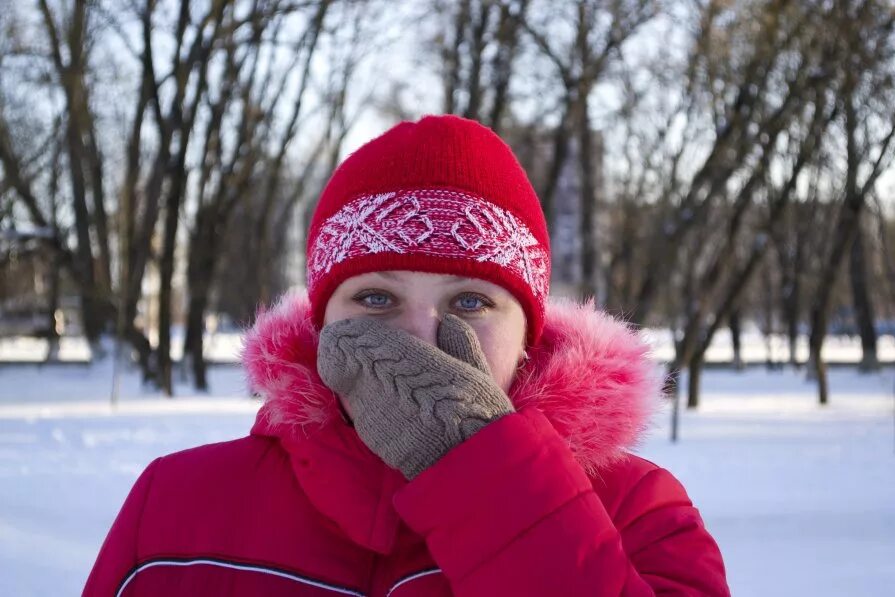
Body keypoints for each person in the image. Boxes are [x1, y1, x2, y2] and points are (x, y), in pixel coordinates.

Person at [85, 115, 730, 596]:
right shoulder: (177, 505)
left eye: (471, 302)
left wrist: (490, 472)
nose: (420, 337)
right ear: (321, 320)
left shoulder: (639, 513)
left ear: (529, 332)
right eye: (375, 297)